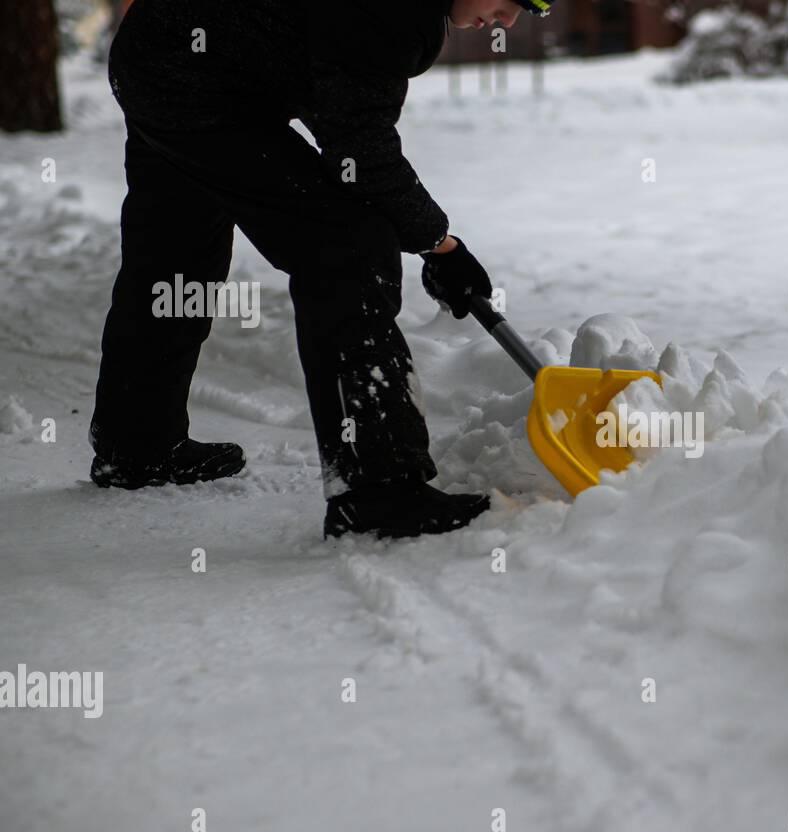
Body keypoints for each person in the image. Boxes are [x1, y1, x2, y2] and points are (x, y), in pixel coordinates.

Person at [88, 0, 553, 539]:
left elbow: (335, 106)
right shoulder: (395, 12)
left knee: (174, 255)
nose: (508, 20)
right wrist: (441, 246)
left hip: (157, 55)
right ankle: (379, 491)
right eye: (513, 0)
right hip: (194, 82)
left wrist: (432, 242)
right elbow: (360, 152)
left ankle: (136, 446)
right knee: (350, 246)